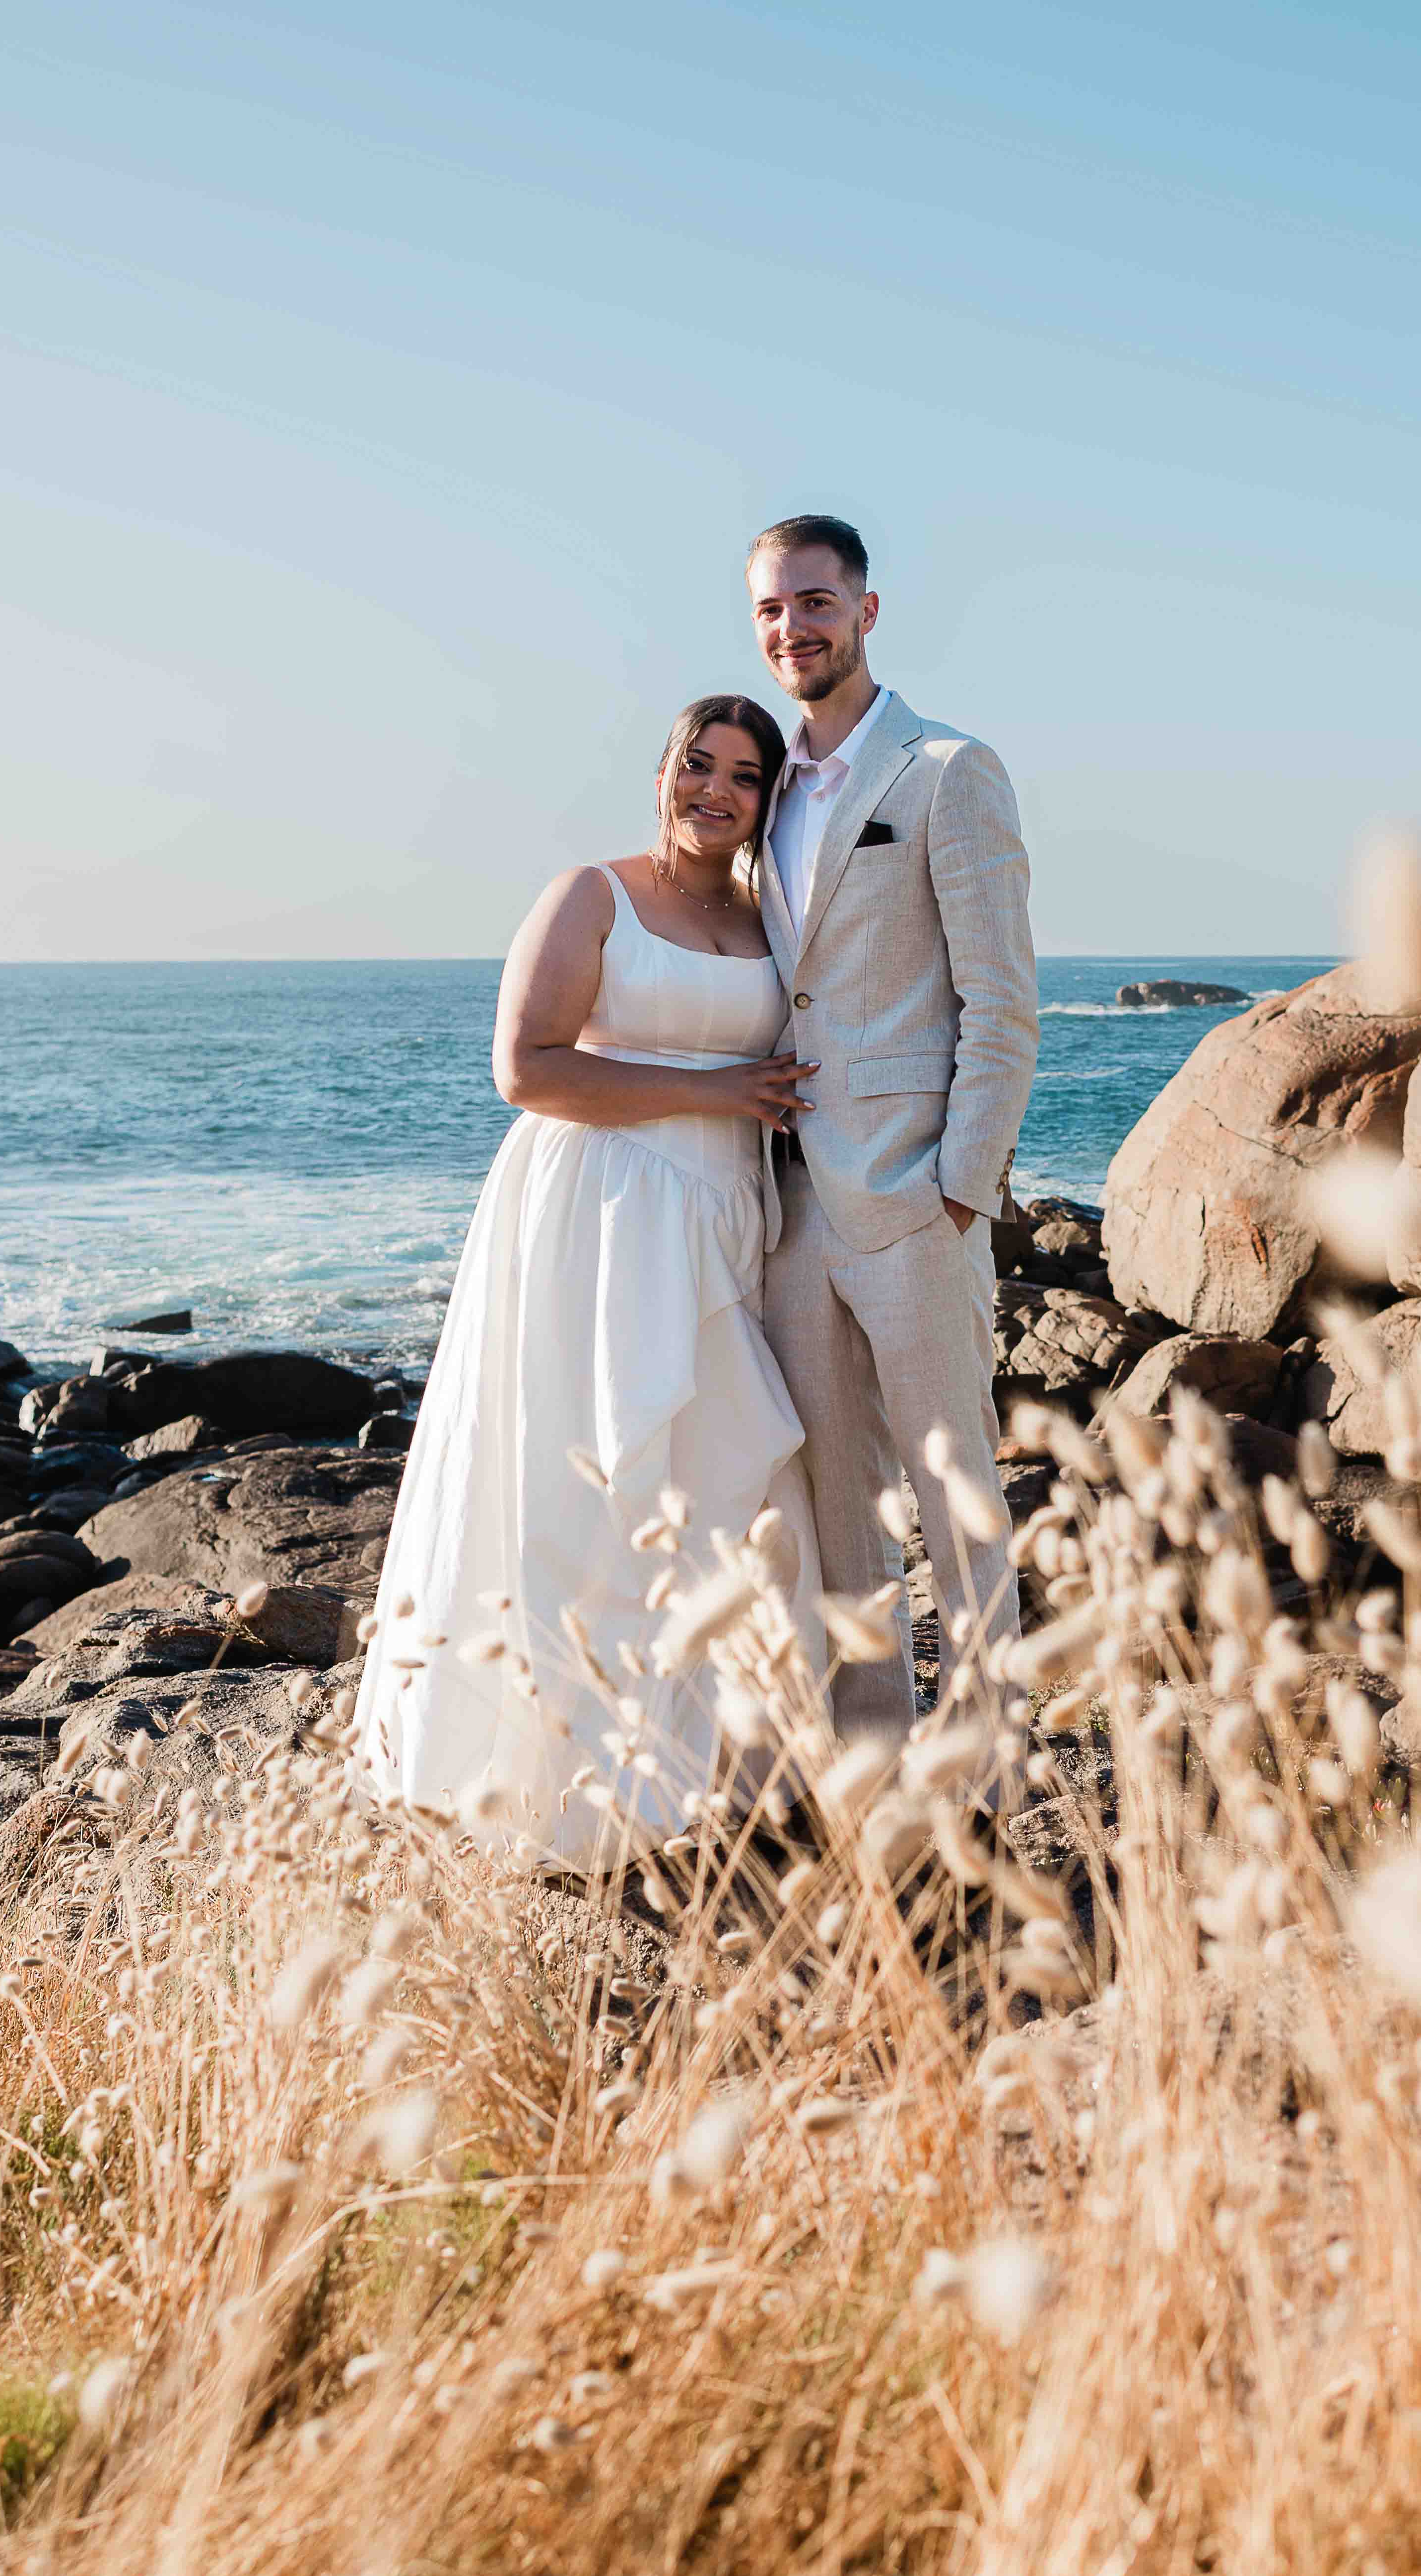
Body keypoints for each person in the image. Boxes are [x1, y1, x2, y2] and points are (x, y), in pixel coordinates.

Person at [351, 696, 824, 1867]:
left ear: (771, 798)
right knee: (591, 1476)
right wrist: (718, 1093)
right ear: (661, 771)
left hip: (723, 1218)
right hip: (601, 1209)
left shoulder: (774, 917)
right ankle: (552, 1782)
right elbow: (526, 1067)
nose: (716, 791)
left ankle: (702, 1768)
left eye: (746, 776)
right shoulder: (591, 896)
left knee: (721, 1480)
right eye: (697, 765)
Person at [748, 514, 1040, 1758]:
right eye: (769, 609)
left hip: (916, 1204)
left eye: (813, 603)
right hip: (792, 1209)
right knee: (836, 1513)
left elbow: (1003, 1003)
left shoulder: (945, 770)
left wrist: (960, 1191)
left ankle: (984, 1774)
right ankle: (872, 1763)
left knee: (957, 1498)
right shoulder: (760, 795)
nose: (791, 628)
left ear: (866, 612)